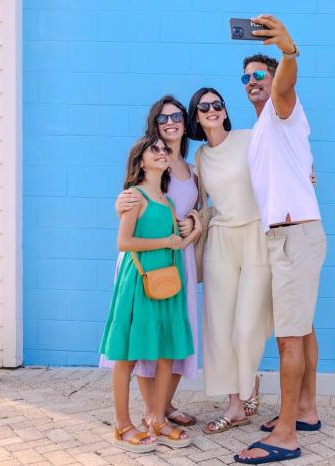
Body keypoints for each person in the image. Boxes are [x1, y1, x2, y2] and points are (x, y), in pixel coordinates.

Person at [237, 16, 327, 464]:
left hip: (295, 236)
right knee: (302, 328)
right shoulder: (263, 129)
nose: (252, 81)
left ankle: (287, 434)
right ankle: (306, 410)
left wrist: (288, 51)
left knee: (288, 338)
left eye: (260, 74)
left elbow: (286, 83)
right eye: (246, 78)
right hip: (293, 235)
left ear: (273, 80)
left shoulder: (280, 107)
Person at [103, 96, 201, 428]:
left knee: (173, 334)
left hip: (178, 259)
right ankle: (151, 412)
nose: (170, 122)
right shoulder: (147, 169)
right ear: (154, 125)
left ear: (185, 122)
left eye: (177, 116)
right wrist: (120, 203)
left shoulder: (192, 168)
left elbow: (196, 208)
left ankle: (163, 408)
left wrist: (197, 223)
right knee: (144, 335)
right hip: (144, 262)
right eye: (163, 118)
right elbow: (131, 207)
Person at [186, 87, 270, 434]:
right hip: (220, 239)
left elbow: (283, 157)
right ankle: (236, 404)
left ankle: (250, 381)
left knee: (246, 327)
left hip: (255, 235)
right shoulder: (200, 158)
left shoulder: (248, 138)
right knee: (220, 328)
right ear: (196, 116)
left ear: (224, 109)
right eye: (204, 106)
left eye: (217, 104)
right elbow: (192, 198)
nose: (212, 109)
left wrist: (308, 172)